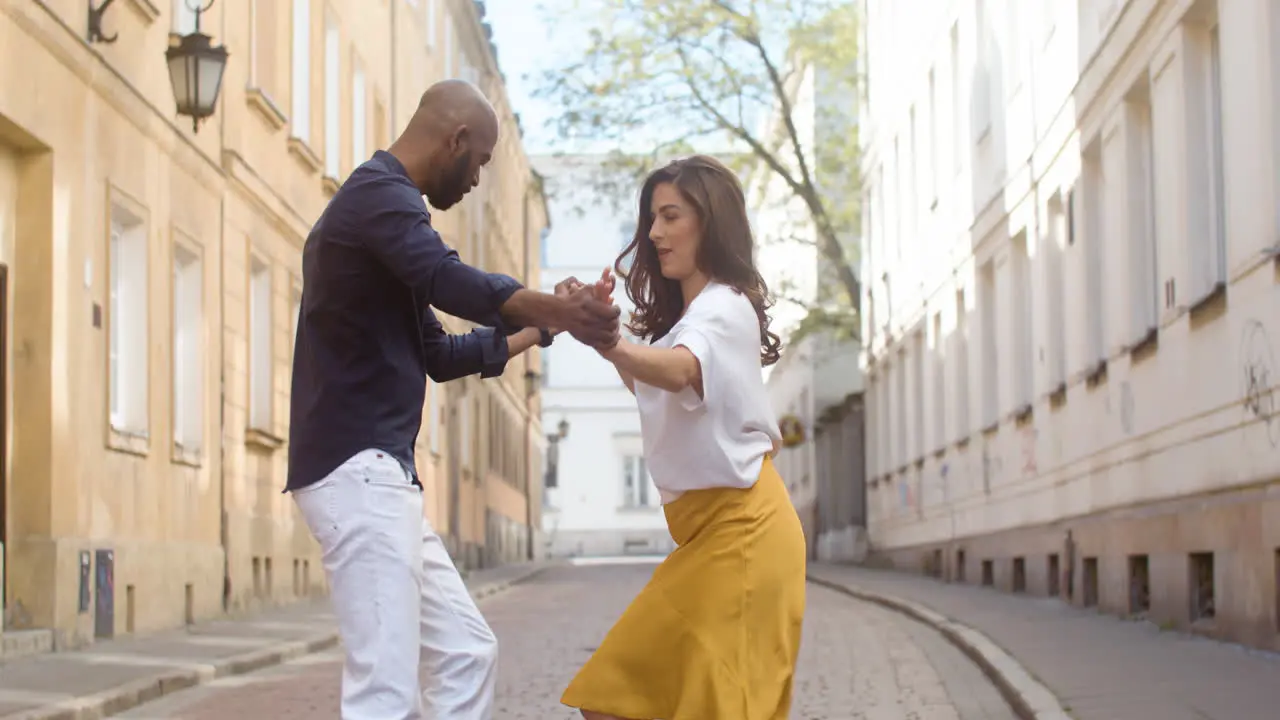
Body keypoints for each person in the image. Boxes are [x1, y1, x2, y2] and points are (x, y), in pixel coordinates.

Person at [285, 79, 620, 720]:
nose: (477, 182)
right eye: (481, 164)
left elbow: (440, 354)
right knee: (383, 688)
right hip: (357, 472)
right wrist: (557, 305)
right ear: (457, 140)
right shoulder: (377, 199)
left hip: (385, 477)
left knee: (467, 650)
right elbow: (451, 280)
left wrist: (545, 326)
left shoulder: (391, 219)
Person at [560, 155, 807, 720]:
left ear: (709, 221)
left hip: (743, 533)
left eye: (671, 216)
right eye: (652, 218)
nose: (654, 233)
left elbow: (679, 371)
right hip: (708, 537)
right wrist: (602, 331)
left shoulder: (725, 305)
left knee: (640, 702)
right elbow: (653, 381)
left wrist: (608, 340)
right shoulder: (691, 319)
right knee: (617, 698)